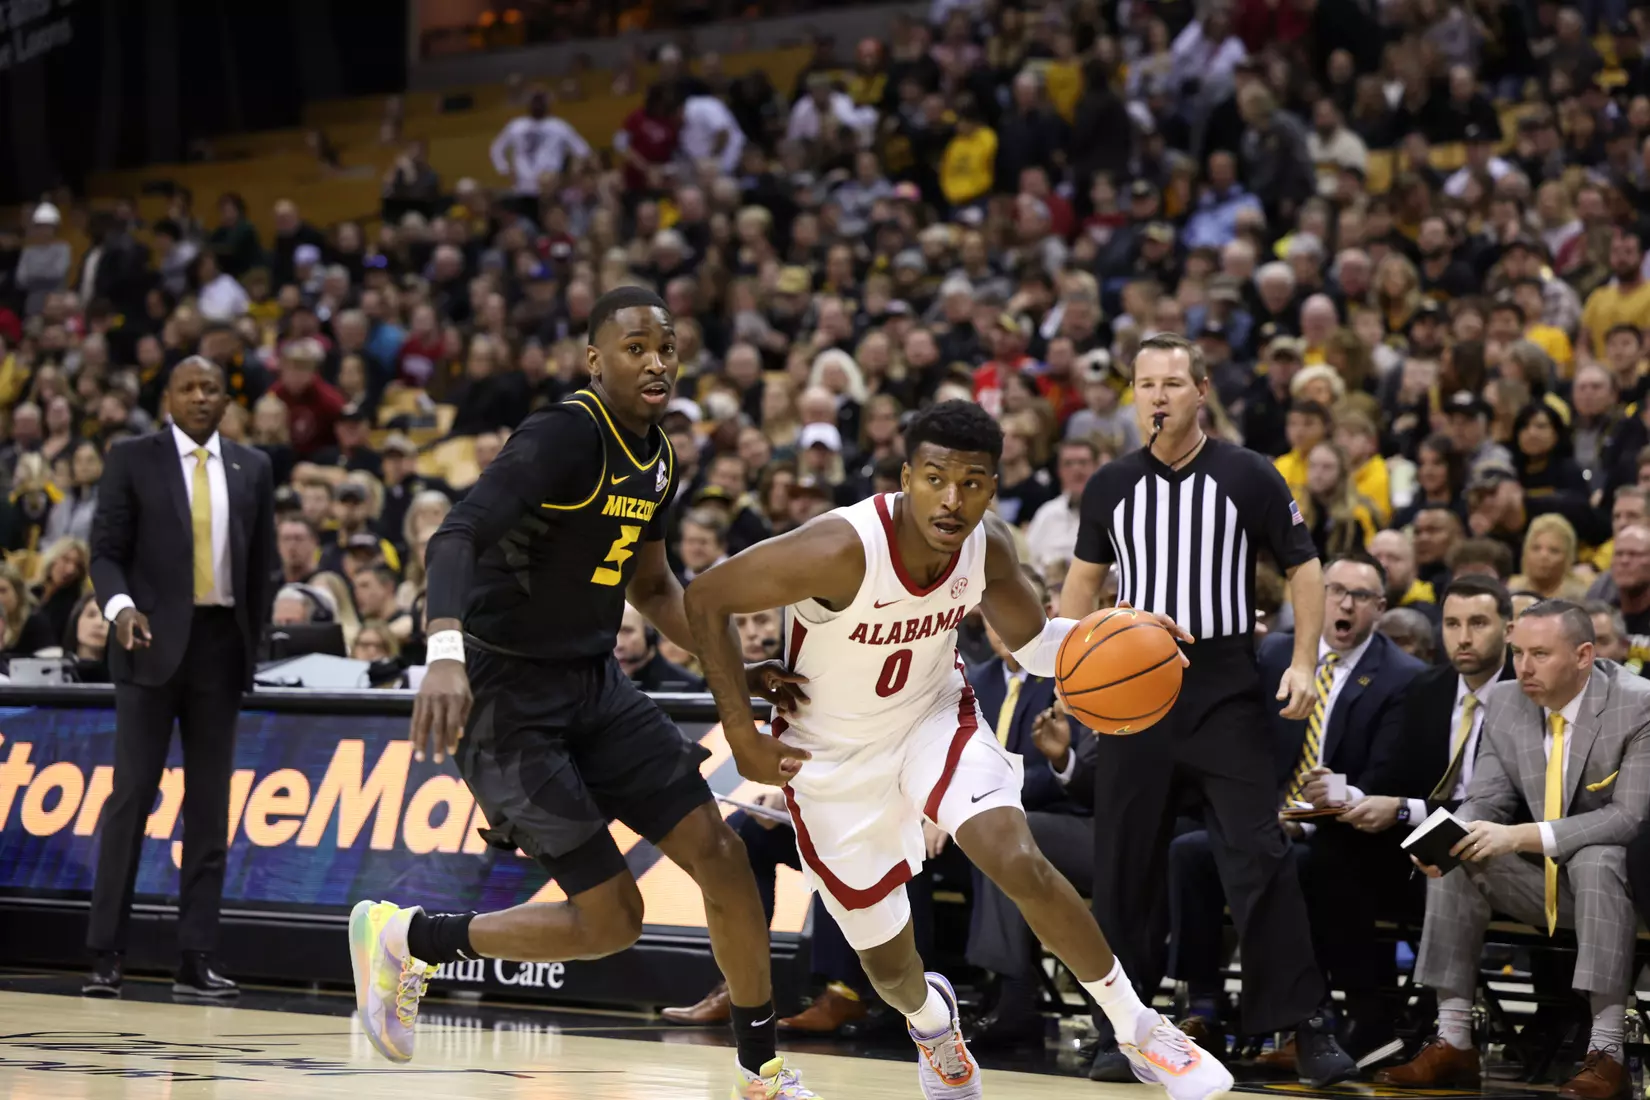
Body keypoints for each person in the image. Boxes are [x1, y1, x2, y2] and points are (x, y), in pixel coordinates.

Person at [343, 288, 819, 1100]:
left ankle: (761, 1070)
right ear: (595, 360)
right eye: (635, 347)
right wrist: (444, 654)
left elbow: (658, 586)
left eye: (666, 346)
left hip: (594, 684)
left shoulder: (660, 455)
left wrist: (733, 674)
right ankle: (411, 938)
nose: (657, 361)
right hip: (502, 692)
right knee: (612, 921)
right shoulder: (565, 434)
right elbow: (455, 533)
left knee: (723, 855)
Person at [682, 400, 1232, 1100]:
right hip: (830, 759)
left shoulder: (989, 547)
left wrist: (1116, 632)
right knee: (889, 969)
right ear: (906, 477)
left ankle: (1140, 1029)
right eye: (936, 478)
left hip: (933, 719)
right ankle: (934, 1024)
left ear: (993, 488)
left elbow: (1035, 648)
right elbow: (705, 597)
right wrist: (741, 734)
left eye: (972, 482)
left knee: (1016, 856)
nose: (952, 498)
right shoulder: (840, 548)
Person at [1059, 333, 1359, 1086]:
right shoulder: (1110, 485)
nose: (1156, 395)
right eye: (1144, 383)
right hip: (1132, 689)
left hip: (1224, 682)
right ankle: (1119, 1031)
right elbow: (1080, 586)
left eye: (1171, 382)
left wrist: (1300, 663)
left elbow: (1305, 566)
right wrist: (1066, 675)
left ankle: (1301, 1024)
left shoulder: (1248, 474)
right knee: (1123, 868)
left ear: (1200, 390)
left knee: (1257, 853)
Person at [1380, 601, 1650, 1100]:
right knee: (1459, 851)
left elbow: (1627, 818)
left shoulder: (1637, 703)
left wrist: (1519, 836)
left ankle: (1608, 1051)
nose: (1523, 667)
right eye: (1518, 652)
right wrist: (1442, 836)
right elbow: (1486, 798)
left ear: (1585, 654)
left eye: (1541, 654)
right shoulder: (1505, 701)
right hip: (1538, 886)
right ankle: (1454, 1037)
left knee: (1599, 856)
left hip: (1624, 888)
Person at [83, 357, 278, 997]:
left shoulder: (254, 467)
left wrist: (253, 646)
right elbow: (106, 553)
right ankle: (106, 954)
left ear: (226, 400)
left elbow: (261, 570)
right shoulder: (131, 458)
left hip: (220, 650)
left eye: (211, 389)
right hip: (148, 644)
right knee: (131, 798)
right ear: (167, 396)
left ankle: (196, 956)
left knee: (208, 811)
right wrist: (120, 610)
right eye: (188, 388)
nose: (200, 397)